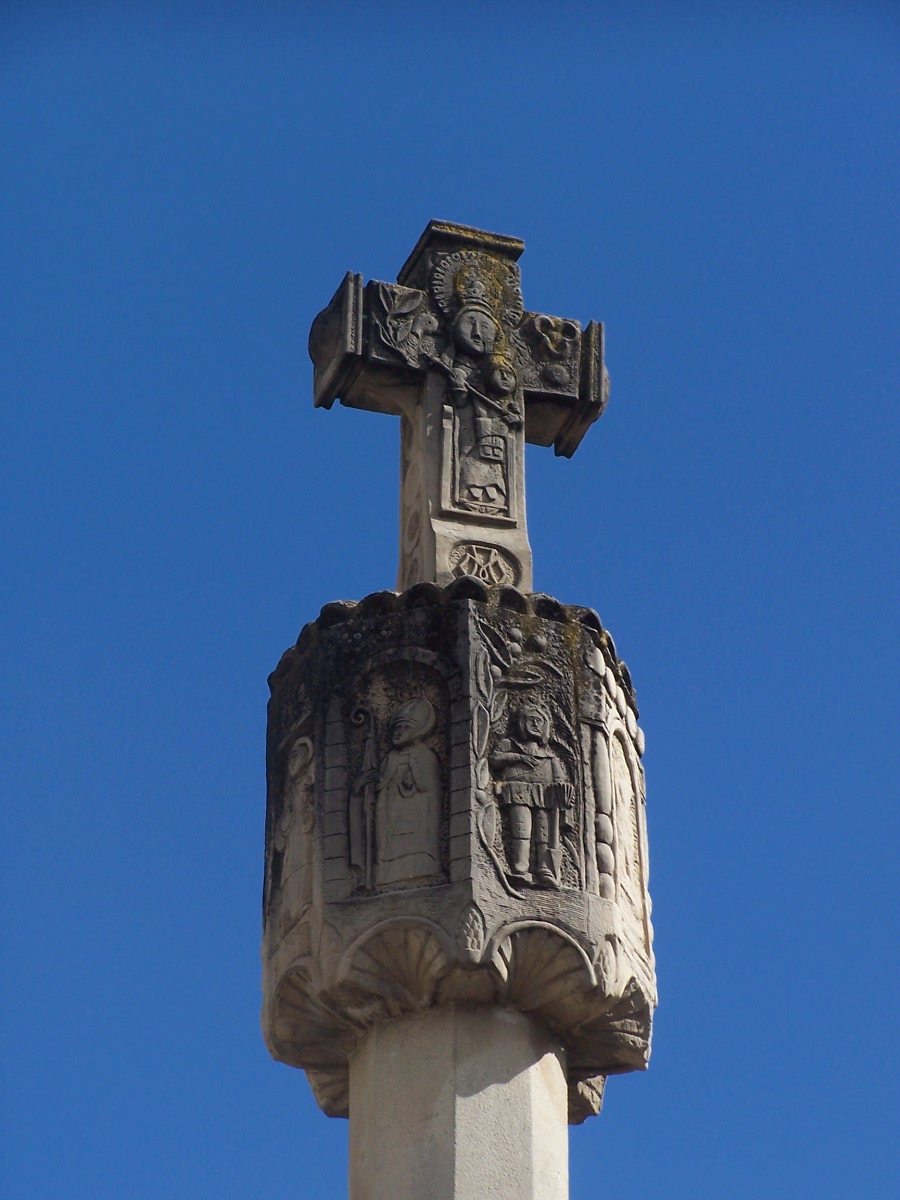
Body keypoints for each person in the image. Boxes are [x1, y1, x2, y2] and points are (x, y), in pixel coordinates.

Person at [491, 702, 573, 887]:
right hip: (518, 792)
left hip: (544, 797)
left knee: (543, 834)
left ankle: (545, 870)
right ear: (521, 723)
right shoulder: (509, 744)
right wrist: (518, 757)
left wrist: (565, 791)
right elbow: (495, 759)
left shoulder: (549, 756)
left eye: (540, 721)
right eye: (531, 720)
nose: (536, 725)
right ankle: (521, 869)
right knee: (522, 830)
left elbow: (560, 779)